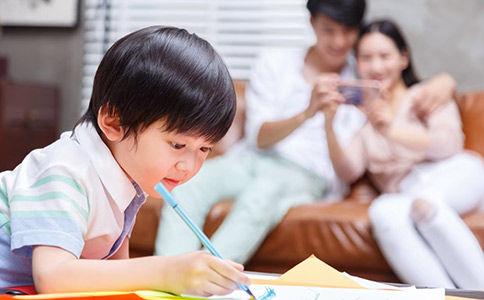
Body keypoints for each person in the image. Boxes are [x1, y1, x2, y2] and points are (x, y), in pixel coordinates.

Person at [155, 0, 457, 265]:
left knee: (261, 195)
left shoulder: (365, 75)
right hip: (252, 159)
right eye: (329, 30)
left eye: (348, 31)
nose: (339, 41)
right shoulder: (274, 63)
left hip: (309, 173)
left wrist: (446, 81)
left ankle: (207, 280)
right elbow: (259, 137)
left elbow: (410, 84)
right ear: (312, 24)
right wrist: (307, 112)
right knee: (186, 185)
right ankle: (167, 278)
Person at [0, 26, 251, 296]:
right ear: (114, 122)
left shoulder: (127, 179)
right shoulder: (65, 171)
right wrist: (166, 271)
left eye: (204, 149)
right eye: (178, 145)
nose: (189, 166)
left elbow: (117, 277)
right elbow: (53, 277)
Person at [321, 19, 484, 289]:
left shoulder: (426, 94)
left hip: (456, 173)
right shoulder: (364, 121)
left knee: (425, 203)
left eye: (385, 56)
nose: (376, 67)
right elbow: (347, 170)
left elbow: (449, 145)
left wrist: (390, 129)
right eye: (366, 58)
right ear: (356, 63)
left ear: (403, 58)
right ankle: (447, 297)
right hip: (406, 194)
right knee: (383, 212)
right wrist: (328, 124)